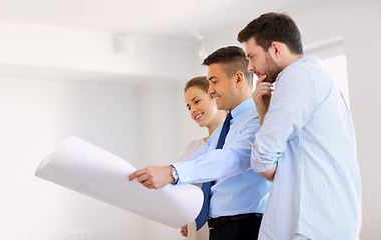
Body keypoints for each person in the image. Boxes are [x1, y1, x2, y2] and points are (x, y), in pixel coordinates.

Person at [237, 12, 362, 240]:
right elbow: (277, 162)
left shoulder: (296, 77)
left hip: (312, 225)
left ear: (275, 49)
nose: (250, 67)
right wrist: (263, 109)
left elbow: (262, 160)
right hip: (325, 222)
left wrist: (265, 160)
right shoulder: (315, 76)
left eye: (252, 56)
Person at [129, 46, 271, 240]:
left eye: (214, 82)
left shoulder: (259, 118)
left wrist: (172, 173)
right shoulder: (225, 129)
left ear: (238, 79)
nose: (211, 90)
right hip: (220, 228)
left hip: (246, 226)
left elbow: (233, 158)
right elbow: (199, 161)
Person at [180, 76, 227, 239]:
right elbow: (184, 192)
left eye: (196, 101)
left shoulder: (236, 141)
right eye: (188, 107)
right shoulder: (190, 149)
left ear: (215, 96)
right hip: (197, 231)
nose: (192, 110)